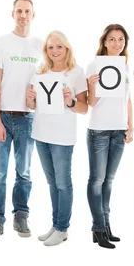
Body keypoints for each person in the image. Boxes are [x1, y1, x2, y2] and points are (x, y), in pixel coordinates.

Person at [0, 0, 43, 242]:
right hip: (3, 117)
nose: (23, 15)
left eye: (27, 11)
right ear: (12, 14)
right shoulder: (0, 44)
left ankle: (21, 214)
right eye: (19, 11)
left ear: (33, 15)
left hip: (29, 118)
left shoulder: (42, 46)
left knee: (25, 172)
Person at [26, 31, 88, 246]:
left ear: (67, 48)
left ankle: (62, 228)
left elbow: (84, 107)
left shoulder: (76, 72)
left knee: (63, 184)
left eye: (59, 47)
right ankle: (56, 225)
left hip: (62, 137)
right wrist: (30, 99)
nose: (55, 51)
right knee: (52, 184)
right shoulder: (40, 71)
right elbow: (33, 106)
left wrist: (70, 101)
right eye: (51, 47)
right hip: (41, 134)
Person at [85, 24, 134, 249]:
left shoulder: (124, 68)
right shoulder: (94, 65)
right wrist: (93, 85)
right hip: (99, 130)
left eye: (121, 39)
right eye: (112, 39)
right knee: (96, 180)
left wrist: (130, 127)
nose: (117, 43)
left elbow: (127, 100)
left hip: (119, 130)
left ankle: (106, 226)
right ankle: (99, 227)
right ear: (104, 42)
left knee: (109, 181)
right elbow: (91, 103)